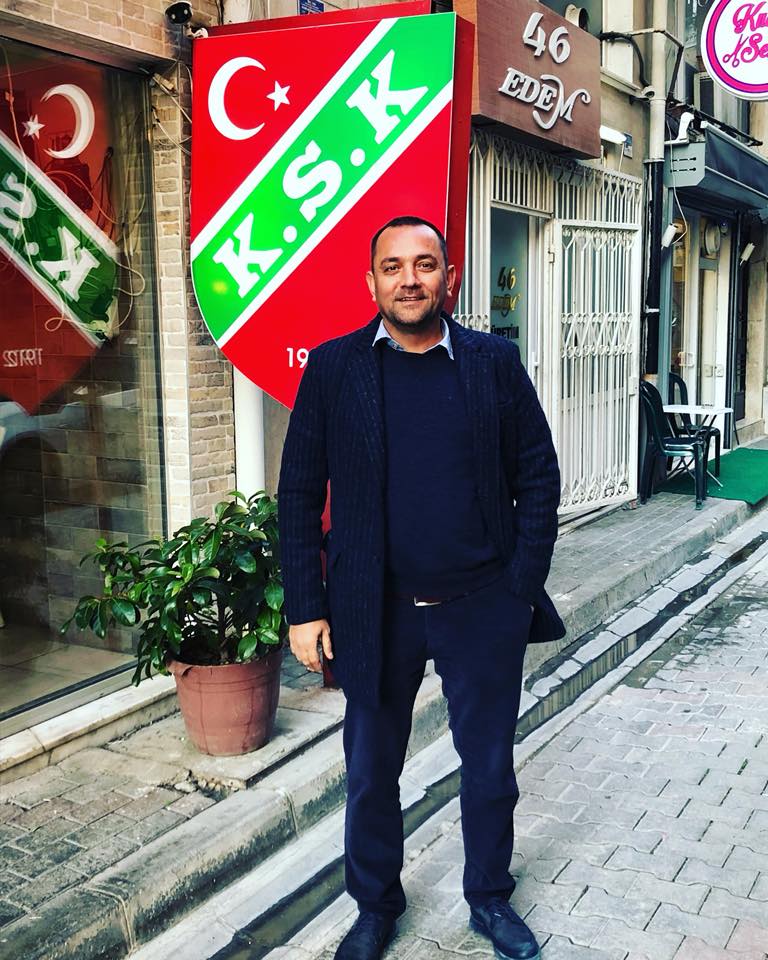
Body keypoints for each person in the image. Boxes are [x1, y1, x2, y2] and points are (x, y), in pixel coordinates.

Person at [278, 215, 564, 960]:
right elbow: (299, 492)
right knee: (372, 774)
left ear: (450, 277)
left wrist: (519, 588)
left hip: (481, 606)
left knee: (490, 769)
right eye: (394, 266)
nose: (410, 279)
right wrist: (306, 608)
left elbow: (538, 474)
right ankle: (375, 908)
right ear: (371, 281)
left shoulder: (493, 362)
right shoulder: (335, 368)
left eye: (426, 264)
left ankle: (489, 897)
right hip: (375, 610)